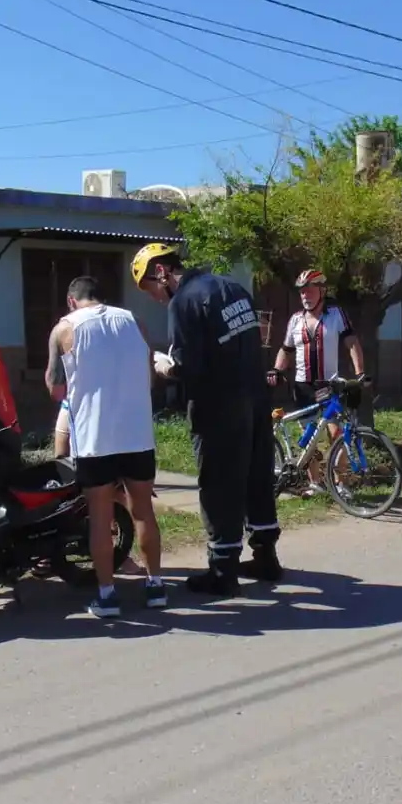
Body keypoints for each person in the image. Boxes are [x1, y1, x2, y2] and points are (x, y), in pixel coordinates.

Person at [131, 242, 282, 597]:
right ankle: (266, 556)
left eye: (150, 289)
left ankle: (222, 570)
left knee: (219, 485)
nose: (154, 298)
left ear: (161, 273)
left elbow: (188, 365)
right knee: (256, 477)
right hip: (256, 397)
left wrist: (165, 367)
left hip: (218, 405)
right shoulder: (233, 288)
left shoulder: (183, 302)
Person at [45, 275, 166, 617]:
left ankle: (107, 595)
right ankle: (155, 587)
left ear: (71, 301)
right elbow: (150, 376)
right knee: (143, 510)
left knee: (99, 517)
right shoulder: (134, 322)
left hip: (94, 438)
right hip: (137, 434)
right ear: (101, 297)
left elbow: (56, 389)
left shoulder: (64, 329)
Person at [267, 269, 366, 493]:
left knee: (336, 434)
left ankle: (342, 485)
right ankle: (315, 483)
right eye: (302, 292)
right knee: (309, 437)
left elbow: (352, 343)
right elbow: (286, 350)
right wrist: (276, 369)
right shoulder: (295, 320)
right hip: (303, 386)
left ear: (322, 291)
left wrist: (360, 373)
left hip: (328, 385)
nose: (305, 296)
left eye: (310, 291)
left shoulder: (336, 315)